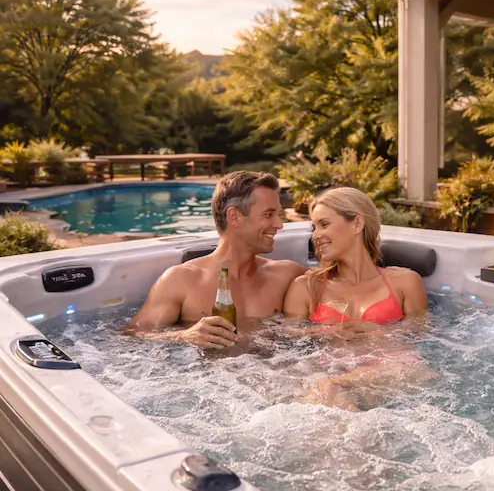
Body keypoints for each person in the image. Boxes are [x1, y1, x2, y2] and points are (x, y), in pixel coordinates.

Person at [283, 186, 429, 409]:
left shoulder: (405, 282)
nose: (315, 235)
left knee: (329, 389)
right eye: (313, 227)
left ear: (357, 224)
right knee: (324, 388)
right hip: (328, 371)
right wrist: (322, 332)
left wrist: (381, 333)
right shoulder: (306, 287)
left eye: (324, 224)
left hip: (390, 371)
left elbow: (423, 335)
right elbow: (285, 342)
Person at [126, 171, 305, 348]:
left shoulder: (288, 275)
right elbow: (132, 335)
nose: (279, 224)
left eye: (278, 214)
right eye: (269, 214)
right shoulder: (181, 280)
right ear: (234, 217)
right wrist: (183, 335)